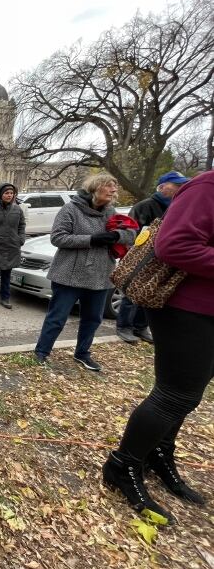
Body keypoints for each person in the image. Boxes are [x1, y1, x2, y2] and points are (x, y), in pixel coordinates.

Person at [103, 169, 213, 522]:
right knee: (174, 395)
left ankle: (159, 452)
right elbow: (175, 244)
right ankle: (124, 464)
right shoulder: (208, 186)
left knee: (190, 394)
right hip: (186, 308)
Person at [33, 176, 135, 372]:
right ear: (95, 189)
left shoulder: (110, 212)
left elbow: (131, 233)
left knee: (92, 318)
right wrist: (91, 240)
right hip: (68, 275)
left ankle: (83, 353)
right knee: (57, 317)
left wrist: (116, 235)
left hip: (99, 274)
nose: (114, 191)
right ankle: (42, 351)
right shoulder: (71, 209)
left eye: (115, 188)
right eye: (109, 187)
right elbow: (58, 238)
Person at [116, 171, 189, 345]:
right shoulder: (145, 206)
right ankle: (124, 326)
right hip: (141, 256)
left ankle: (141, 326)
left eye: (182, 184)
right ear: (162, 186)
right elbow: (131, 231)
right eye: (176, 184)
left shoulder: (180, 206)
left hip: (162, 259)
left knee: (150, 293)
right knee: (131, 293)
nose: (181, 187)